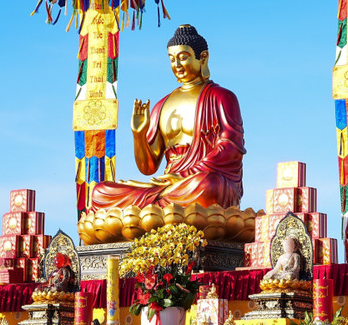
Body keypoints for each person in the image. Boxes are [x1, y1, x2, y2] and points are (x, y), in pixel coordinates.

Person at [89, 24, 245, 212]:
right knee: (100, 192)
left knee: (209, 186)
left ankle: (153, 207)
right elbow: (148, 167)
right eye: (172, 60)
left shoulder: (222, 97)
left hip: (197, 183)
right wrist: (138, 134)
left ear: (203, 58)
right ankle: (160, 203)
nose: (176, 66)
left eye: (183, 58)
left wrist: (186, 174)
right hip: (167, 185)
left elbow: (231, 148)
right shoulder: (162, 105)